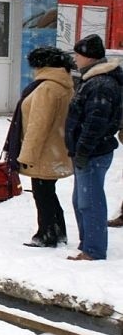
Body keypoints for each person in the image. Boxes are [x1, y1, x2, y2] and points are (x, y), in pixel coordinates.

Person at [4, 47, 74, 248]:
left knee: (42, 192)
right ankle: (58, 230)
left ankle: (46, 233)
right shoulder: (64, 84)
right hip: (56, 146)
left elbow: (38, 125)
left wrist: (26, 155)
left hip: (44, 150)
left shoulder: (46, 88)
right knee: (48, 191)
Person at [65, 34, 123, 261]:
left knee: (90, 202)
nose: (75, 59)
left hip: (92, 152)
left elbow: (95, 123)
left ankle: (94, 249)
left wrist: (83, 150)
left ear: (88, 57)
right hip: (87, 151)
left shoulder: (100, 84)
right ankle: (87, 243)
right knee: (81, 200)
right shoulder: (93, 79)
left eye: (78, 55)